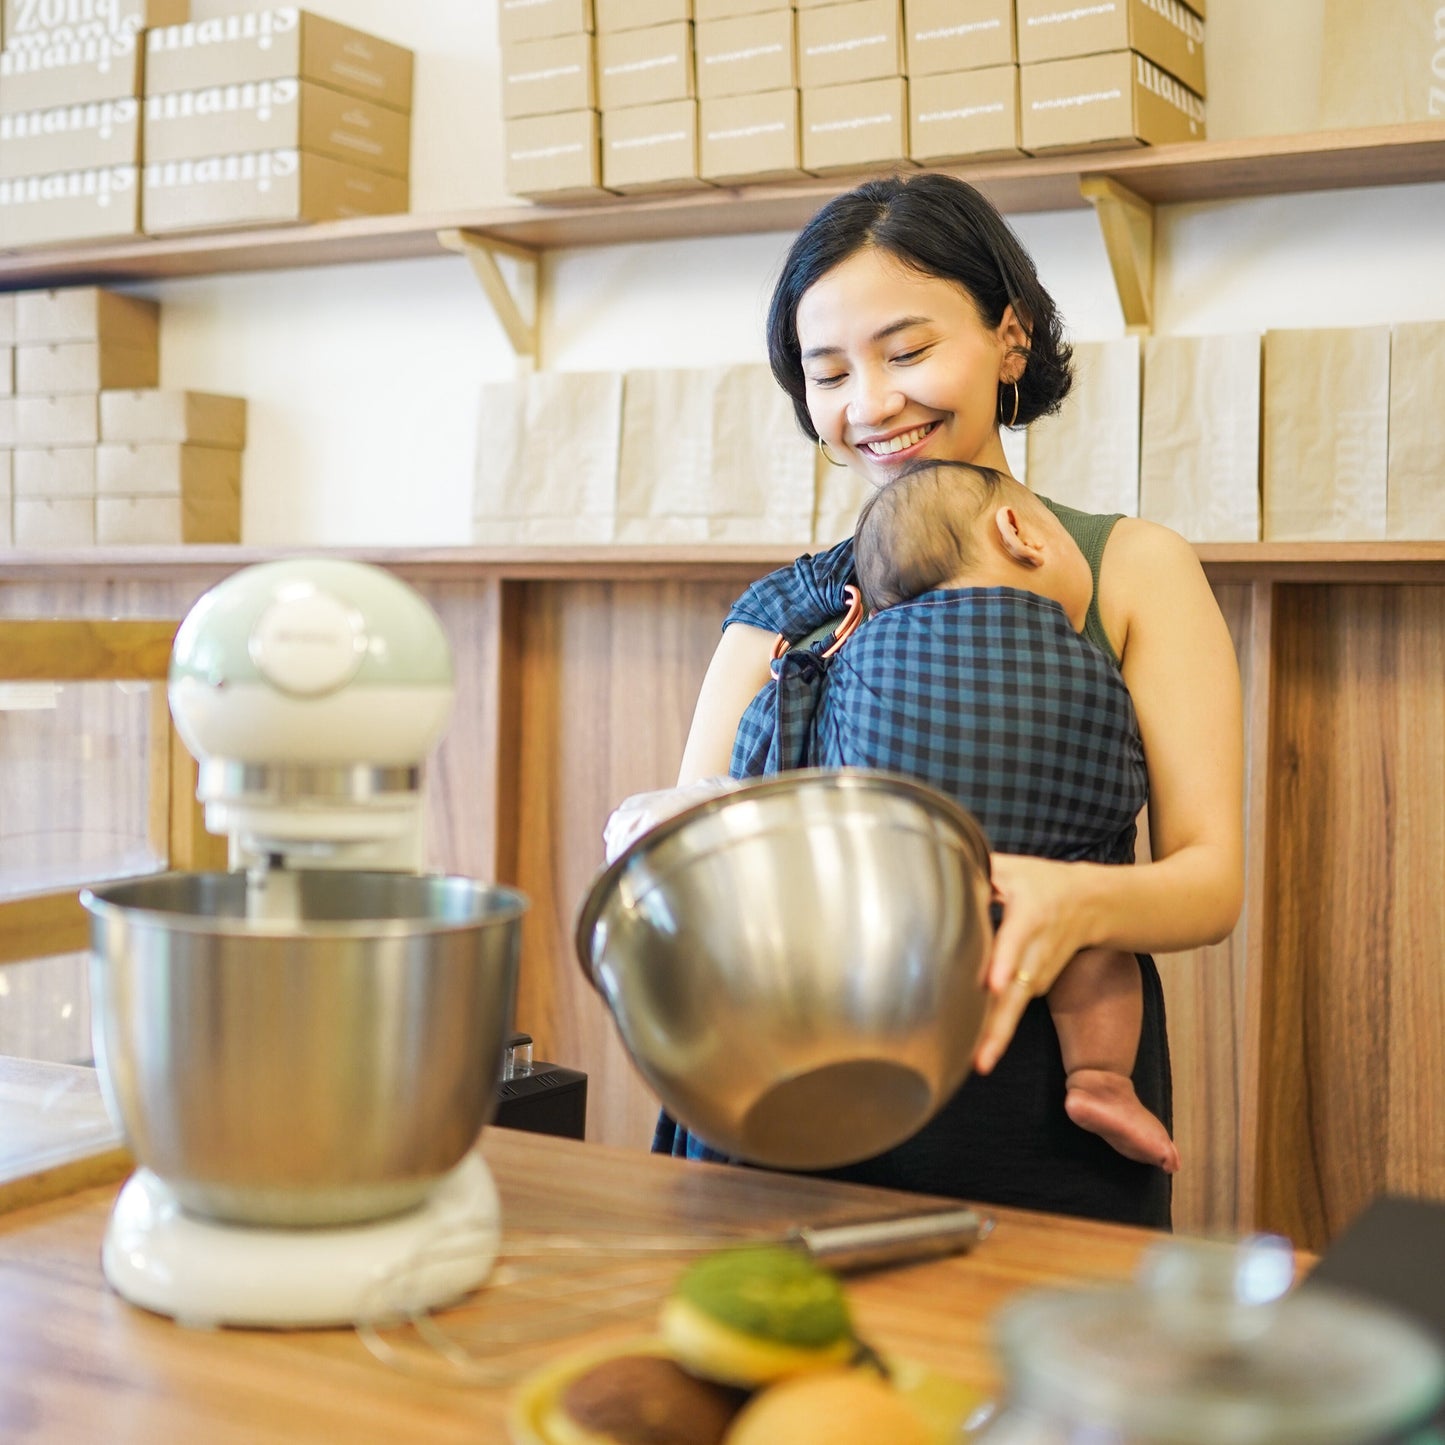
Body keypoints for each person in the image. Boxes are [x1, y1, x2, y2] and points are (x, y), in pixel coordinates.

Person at [651, 172, 1243, 1226]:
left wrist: (1072, 900)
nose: (868, 404)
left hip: (1036, 1132)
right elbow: (692, 856)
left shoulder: (1127, 568)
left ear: (1008, 338)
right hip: (777, 1111)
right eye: (826, 373)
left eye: (906, 350)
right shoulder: (778, 612)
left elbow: (1208, 880)